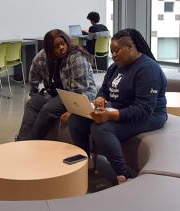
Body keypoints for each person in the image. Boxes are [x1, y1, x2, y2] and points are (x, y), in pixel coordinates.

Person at [67, 28, 167, 184]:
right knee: (76, 119)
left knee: (101, 128)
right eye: (111, 51)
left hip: (151, 115)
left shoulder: (148, 69)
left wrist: (109, 115)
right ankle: (88, 161)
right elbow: (104, 89)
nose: (113, 55)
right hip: (119, 108)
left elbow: (143, 109)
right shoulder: (115, 67)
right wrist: (100, 98)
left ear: (131, 47)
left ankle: (124, 175)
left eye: (117, 50)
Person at [16, 29, 97, 141]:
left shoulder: (76, 57)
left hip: (78, 94)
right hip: (55, 92)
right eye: (56, 46)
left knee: (49, 109)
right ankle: (21, 141)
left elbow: (80, 89)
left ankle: (33, 141)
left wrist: (73, 110)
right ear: (49, 50)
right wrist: (34, 92)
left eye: (63, 44)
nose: (61, 48)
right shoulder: (42, 56)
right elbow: (33, 76)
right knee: (32, 103)